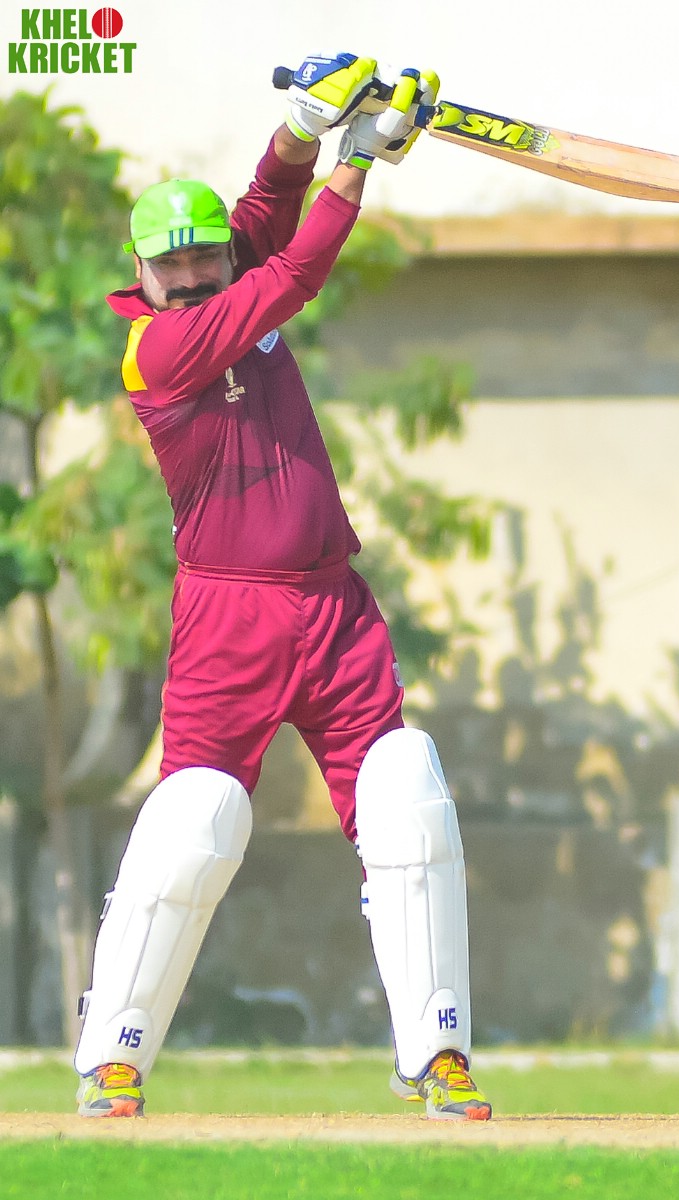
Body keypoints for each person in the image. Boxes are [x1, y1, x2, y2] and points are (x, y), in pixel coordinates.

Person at [74, 52, 492, 1123]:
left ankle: (437, 1054)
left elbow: (265, 213)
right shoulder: (165, 346)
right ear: (141, 273)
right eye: (173, 264)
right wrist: (357, 163)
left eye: (205, 256)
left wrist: (306, 131)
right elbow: (293, 273)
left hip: (331, 604)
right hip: (229, 615)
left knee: (403, 791)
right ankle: (112, 1056)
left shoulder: (227, 276)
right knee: (195, 818)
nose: (194, 274)